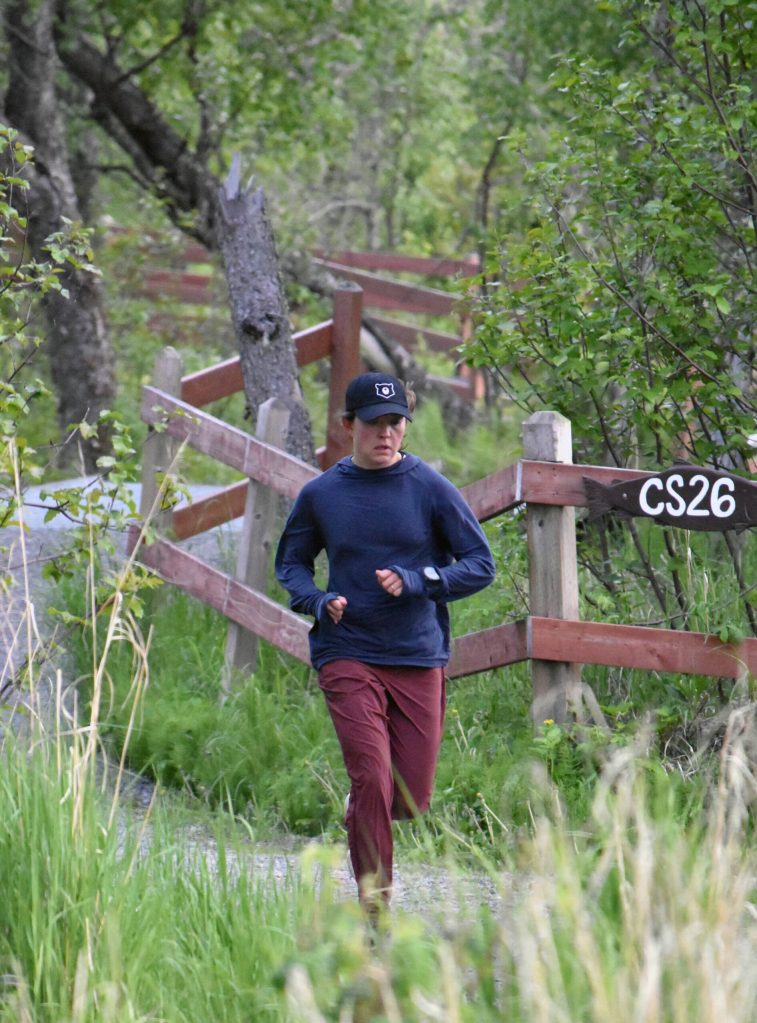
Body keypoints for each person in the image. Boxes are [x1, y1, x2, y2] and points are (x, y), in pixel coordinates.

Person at [274, 371, 495, 917]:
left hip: (417, 652)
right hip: (346, 649)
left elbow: (480, 565)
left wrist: (420, 579)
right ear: (348, 425)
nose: (386, 434)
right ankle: (376, 906)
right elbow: (292, 564)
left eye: (396, 423)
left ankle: (363, 811)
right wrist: (318, 601)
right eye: (374, 424)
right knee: (371, 775)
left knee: (410, 798)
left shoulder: (430, 488)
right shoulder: (322, 494)